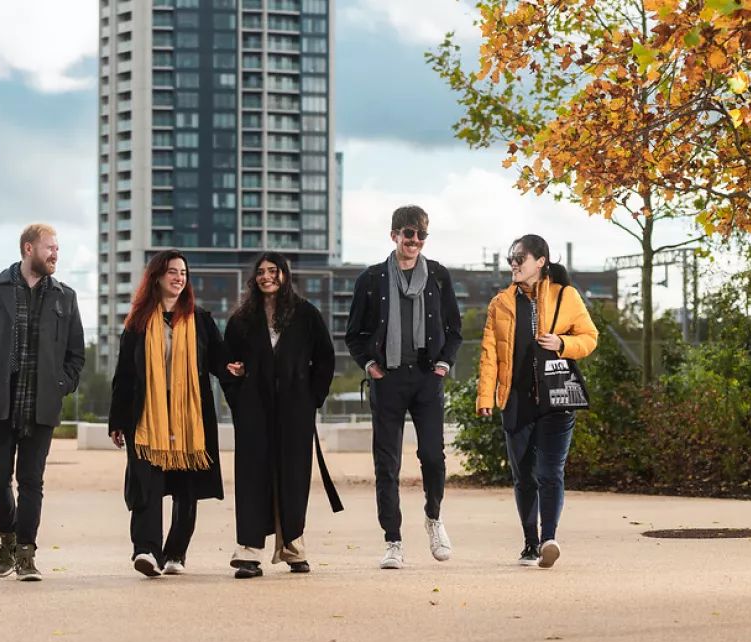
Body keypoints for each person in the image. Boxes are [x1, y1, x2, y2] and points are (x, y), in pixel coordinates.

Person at [0, 223, 85, 582]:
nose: (55, 254)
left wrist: (61, 385)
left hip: (40, 403)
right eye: (50, 248)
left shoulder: (65, 296)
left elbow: (76, 354)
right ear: (29, 248)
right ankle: (8, 539)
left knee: (31, 481)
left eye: (57, 248)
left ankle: (26, 553)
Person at [345, 205, 462, 569]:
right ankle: (393, 540)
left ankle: (433, 518)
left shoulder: (438, 276)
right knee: (387, 464)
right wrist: (370, 366)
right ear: (394, 234)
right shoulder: (371, 279)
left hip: (427, 378)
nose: (414, 240)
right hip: (388, 378)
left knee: (433, 456)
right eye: (408, 233)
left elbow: (454, 330)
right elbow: (354, 334)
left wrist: (443, 364)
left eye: (421, 235)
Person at [476, 234, 597, 568]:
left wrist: (562, 343)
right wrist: (486, 396)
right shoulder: (500, 303)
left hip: (556, 397)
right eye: (511, 259)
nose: (514, 264)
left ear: (541, 261)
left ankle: (548, 540)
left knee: (550, 472)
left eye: (520, 258)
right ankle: (530, 543)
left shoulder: (565, 295)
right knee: (524, 477)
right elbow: (489, 354)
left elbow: (590, 337)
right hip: (516, 400)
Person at [108, 250, 227, 578]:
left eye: (183, 273)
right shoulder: (138, 322)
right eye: (173, 271)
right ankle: (146, 550)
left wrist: (233, 367)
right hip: (147, 415)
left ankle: (175, 552)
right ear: (157, 277)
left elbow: (218, 359)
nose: (179, 278)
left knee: (186, 487)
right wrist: (117, 420)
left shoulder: (200, 320)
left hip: (189, 415)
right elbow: (124, 375)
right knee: (145, 483)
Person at [223, 253, 338, 579]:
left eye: (273, 271)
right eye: (260, 272)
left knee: (294, 476)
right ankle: (248, 552)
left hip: (295, 409)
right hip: (253, 410)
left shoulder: (306, 314)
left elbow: (325, 358)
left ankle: (293, 548)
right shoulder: (242, 319)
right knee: (251, 477)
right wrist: (238, 397)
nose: (266, 276)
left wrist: (312, 398)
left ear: (284, 275)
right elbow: (227, 363)